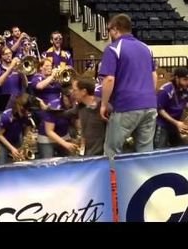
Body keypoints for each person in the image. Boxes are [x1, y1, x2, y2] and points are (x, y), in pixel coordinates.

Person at [99, 13, 157, 157]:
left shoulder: (113, 48)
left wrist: (103, 105)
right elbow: (154, 76)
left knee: (112, 151)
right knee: (145, 153)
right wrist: (148, 97)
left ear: (116, 29)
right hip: (150, 105)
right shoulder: (146, 48)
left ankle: (112, 180)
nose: (109, 34)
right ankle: (146, 179)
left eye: (109, 30)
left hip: (126, 106)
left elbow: (109, 80)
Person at [65, 77, 108, 156]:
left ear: (84, 92)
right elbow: (64, 114)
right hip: (87, 153)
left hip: (102, 155)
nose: (72, 93)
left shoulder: (103, 107)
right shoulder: (80, 106)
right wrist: (47, 108)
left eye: (75, 90)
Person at [0, 93, 41, 165]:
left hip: (16, 140)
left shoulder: (26, 116)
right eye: (26, 109)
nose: (27, 112)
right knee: (1, 165)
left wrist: (25, 144)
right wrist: (12, 148)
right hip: (2, 142)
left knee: (22, 163)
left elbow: (27, 130)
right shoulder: (7, 117)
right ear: (19, 106)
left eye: (29, 110)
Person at [154, 67, 188, 149]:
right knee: (159, 151)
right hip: (163, 124)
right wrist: (176, 123)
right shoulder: (166, 90)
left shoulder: (185, 88)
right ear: (176, 78)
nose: (187, 82)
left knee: (180, 150)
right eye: (185, 79)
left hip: (177, 124)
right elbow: (159, 109)